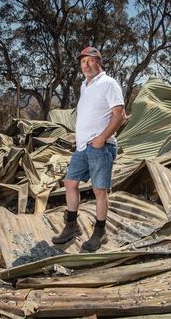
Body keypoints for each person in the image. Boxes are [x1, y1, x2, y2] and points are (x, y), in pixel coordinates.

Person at [52, 46, 126, 252]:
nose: (86, 64)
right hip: (83, 146)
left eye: (90, 60)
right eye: (83, 62)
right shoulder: (85, 86)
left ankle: (100, 232)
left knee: (99, 190)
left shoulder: (108, 83)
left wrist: (103, 137)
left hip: (101, 147)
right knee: (70, 183)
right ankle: (72, 225)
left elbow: (119, 114)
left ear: (99, 62)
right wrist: (80, 138)